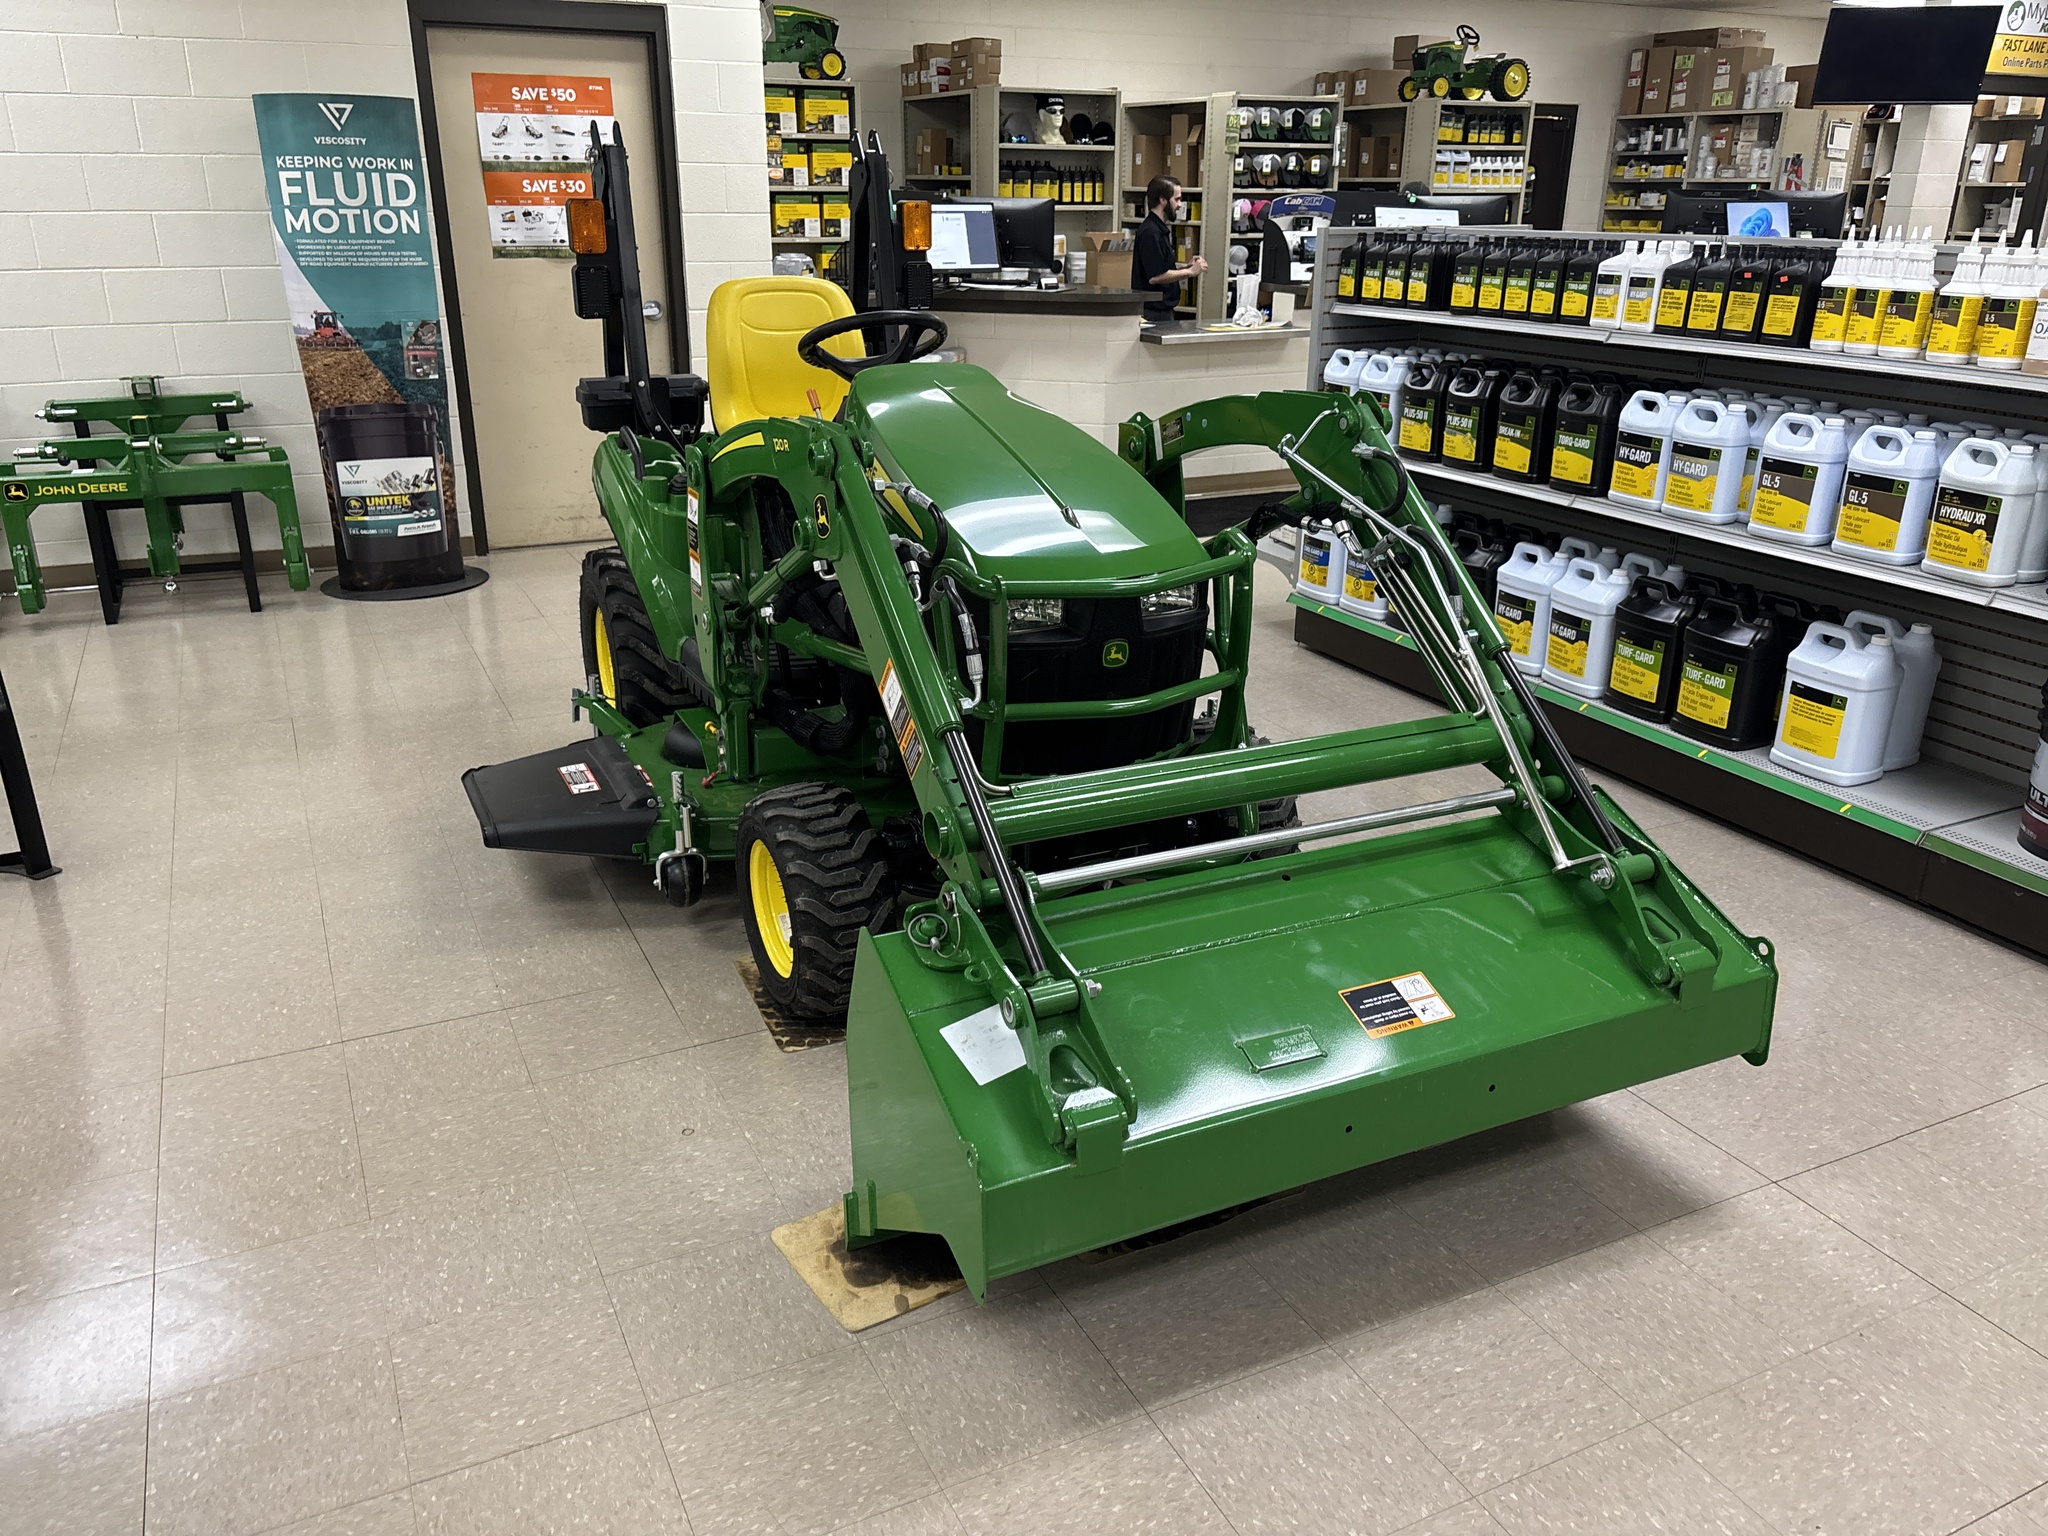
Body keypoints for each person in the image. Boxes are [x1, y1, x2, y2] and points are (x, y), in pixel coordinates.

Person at [1132, 175, 1207, 322]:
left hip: (1162, 311)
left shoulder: (1159, 230)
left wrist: (1185, 267)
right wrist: (1190, 272)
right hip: (1153, 313)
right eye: (1177, 199)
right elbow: (1155, 277)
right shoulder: (1151, 233)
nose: (1180, 205)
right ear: (1163, 200)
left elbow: (1160, 268)